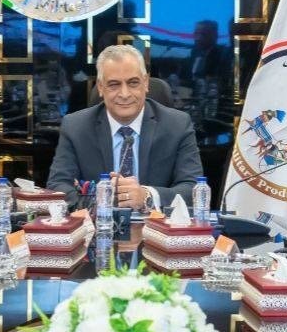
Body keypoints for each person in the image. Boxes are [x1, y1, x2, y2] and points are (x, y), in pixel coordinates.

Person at [46, 44, 202, 211]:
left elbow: (194, 188)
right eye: (114, 84)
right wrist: (100, 203)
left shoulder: (177, 125)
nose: (125, 94)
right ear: (100, 87)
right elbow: (57, 185)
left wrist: (147, 196)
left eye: (133, 83)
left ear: (145, 83)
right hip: (98, 223)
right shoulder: (75, 127)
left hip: (156, 224)